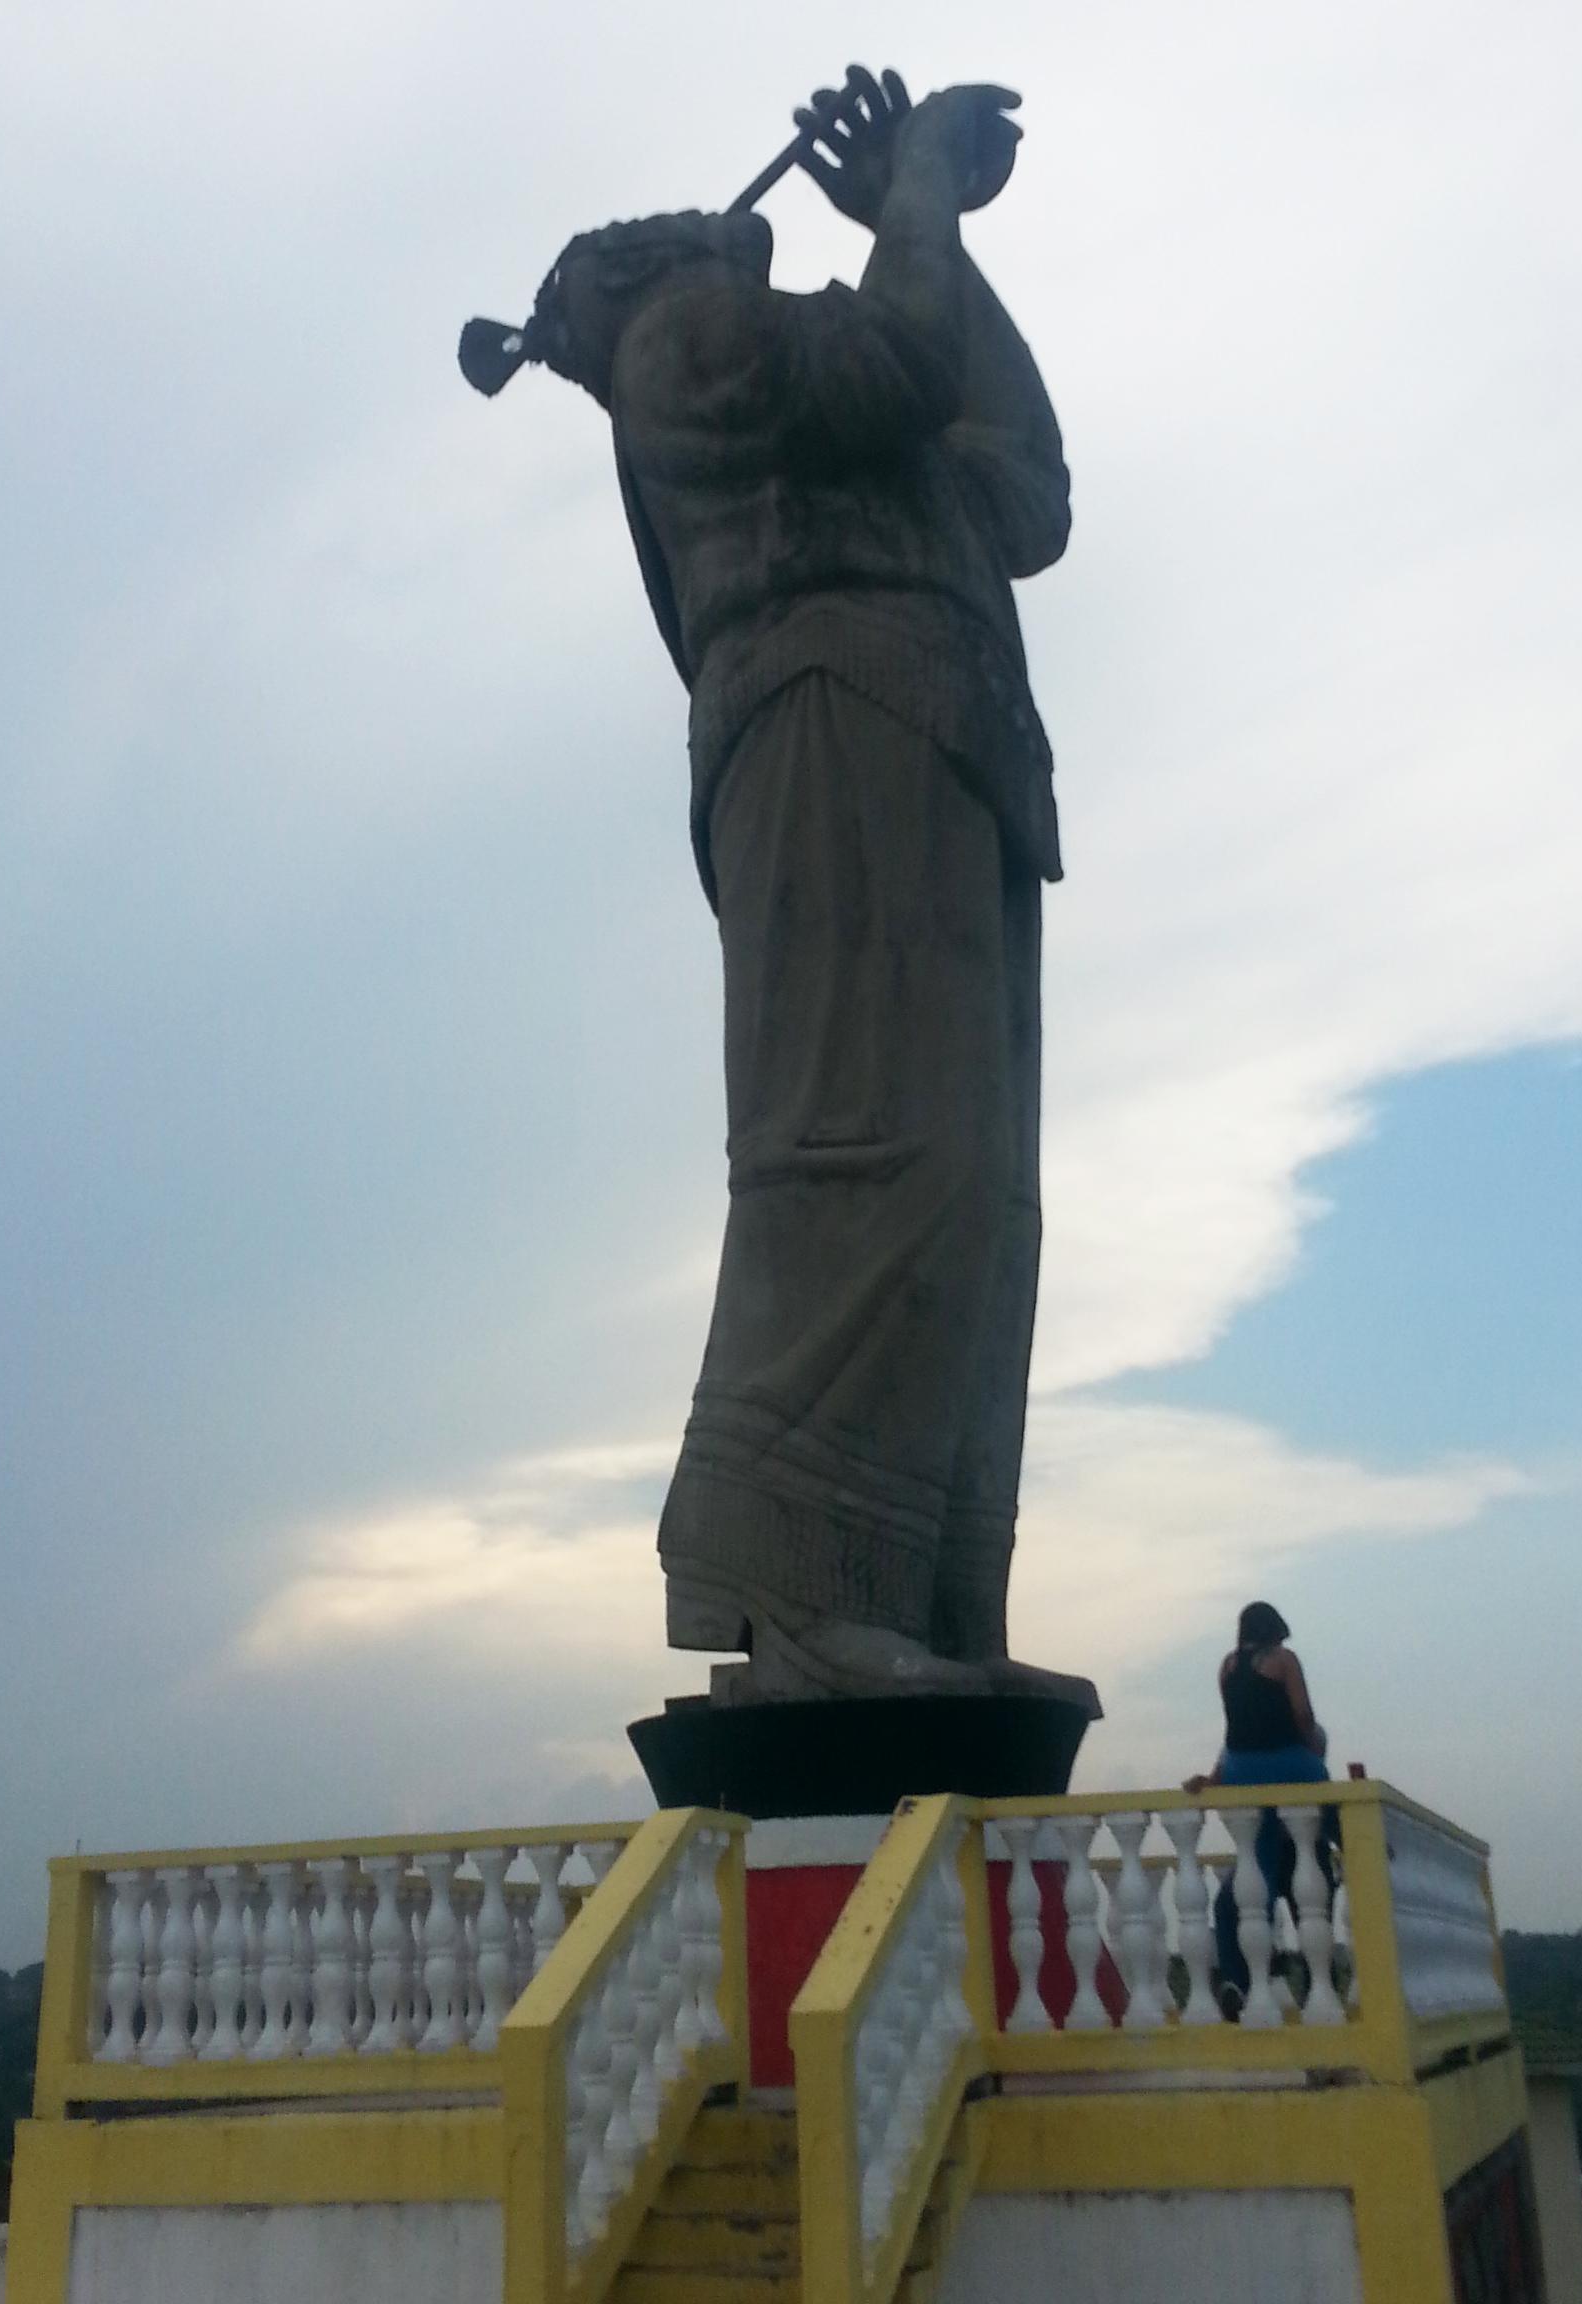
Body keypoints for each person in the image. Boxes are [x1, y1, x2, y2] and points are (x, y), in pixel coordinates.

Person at [514, 67, 1087, 1706]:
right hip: (833, 723)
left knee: (970, 1177)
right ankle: (794, 1584)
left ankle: (913, 1582)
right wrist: (908, 194)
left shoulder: (815, 394)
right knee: (863, 1146)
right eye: (668, 232)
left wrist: (922, 236)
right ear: (624, 281)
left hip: (932, 740)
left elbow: (1023, 483)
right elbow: (902, 358)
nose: (718, 224)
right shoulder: (680, 348)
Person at [1184, 1602, 1332, 2014]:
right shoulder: (1283, 1660)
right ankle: (1369, 1851)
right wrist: (1313, 1744)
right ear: (1275, 1632)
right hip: (1284, 1760)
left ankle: (1236, 1978)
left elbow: (1236, 1732)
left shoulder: (1228, 1667)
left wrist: (1216, 1776)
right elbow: (1301, 1714)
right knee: (1332, 1807)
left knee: (1251, 1880)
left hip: (1241, 1770)